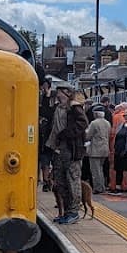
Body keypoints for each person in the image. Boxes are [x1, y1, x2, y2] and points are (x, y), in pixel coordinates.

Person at [47, 80, 88, 225]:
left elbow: (82, 124)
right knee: (60, 181)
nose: (58, 95)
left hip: (71, 150)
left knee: (72, 180)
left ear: (68, 93)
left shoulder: (74, 108)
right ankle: (65, 211)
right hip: (58, 148)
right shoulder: (58, 108)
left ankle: (74, 212)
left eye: (60, 92)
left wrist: (66, 134)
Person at [84, 106, 110, 194]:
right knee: (101, 169)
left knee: (95, 170)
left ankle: (98, 188)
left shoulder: (94, 123)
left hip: (95, 149)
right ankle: (102, 187)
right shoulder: (107, 123)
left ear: (96, 113)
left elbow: (88, 136)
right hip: (105, 149)